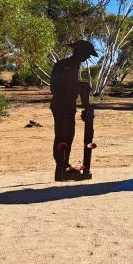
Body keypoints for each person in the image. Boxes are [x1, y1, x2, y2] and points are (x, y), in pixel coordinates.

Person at [50, 40, 97, 181]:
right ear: (80, 51)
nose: (88, 57)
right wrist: (80, 88)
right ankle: (62, 170)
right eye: (87, 54)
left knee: (67, 136)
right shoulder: (65, 65)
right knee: (63, 136)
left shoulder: (74, 65)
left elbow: (75, 87)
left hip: (68, 104)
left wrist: (85, 103)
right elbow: (56, 87)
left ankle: (64, 168)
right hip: (61, 104)